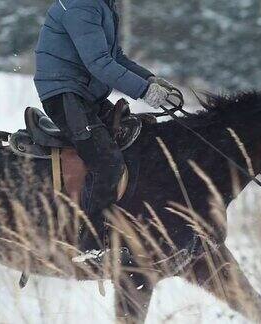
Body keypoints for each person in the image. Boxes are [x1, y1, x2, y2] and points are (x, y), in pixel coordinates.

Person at [33, 0, 176, 251]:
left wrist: (149, 78)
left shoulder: (103, 5)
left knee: (136, 141)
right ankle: (91, 243)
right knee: (107, 162)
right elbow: (99, 63)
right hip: (65, 94)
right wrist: (143, 90)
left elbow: (115, 57)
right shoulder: (81, 6)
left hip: (85, 94)